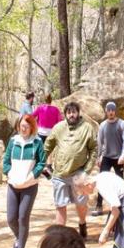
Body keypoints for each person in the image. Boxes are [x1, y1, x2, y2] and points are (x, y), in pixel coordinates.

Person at [43, 101, 97, 239]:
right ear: (65, 114)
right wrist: (41, 162)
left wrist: (86, 172)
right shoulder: (58, 128)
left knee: (81, 204)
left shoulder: (87, 128)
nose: (71, 115)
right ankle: (60, 237)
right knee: (60, 206)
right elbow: (47, 146)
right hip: (60, 174)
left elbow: (93, 150)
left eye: (74, 112)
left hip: (79, 174)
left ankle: (82, 222)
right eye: (69, 112)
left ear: (78, 113)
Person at [2, 112, 47, 248]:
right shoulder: (13, 141)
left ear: (32, 127)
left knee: (22, 218)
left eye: (27, 126)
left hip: (29, 186)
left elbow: (42, 163)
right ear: (18, 126)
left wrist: (33, 176)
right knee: (11, 219)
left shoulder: (37, 142)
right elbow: (6, 161)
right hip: (13, 185)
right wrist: (9, 173)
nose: (24, 129)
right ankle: (19, 238)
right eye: (22, 126)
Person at [92, 102, 124, 216]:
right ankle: (99, 206)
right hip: (106, 157)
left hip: (118, 158)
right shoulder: (102, 125)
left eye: (113, 109)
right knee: (102, 182)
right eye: (109, 110)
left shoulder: (122, 124)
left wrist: (123, 156)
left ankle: (123, 206)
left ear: (115, 111)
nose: (111, 112)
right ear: (106, 111)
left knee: (121, 182)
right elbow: (99, 142)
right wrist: (99, 157)